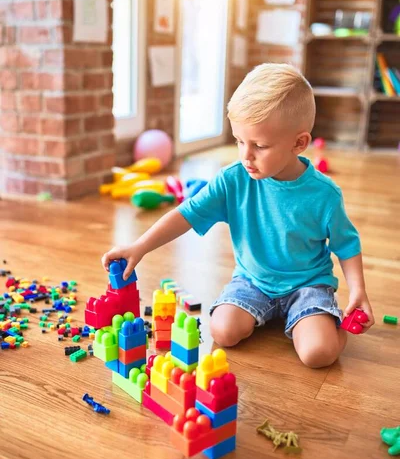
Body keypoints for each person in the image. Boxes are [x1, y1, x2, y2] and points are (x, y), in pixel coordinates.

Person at [102, 63, 374, 368]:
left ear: (299, 143)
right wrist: (138, 247)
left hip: (308, 284)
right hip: (253, 280)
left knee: (317, 355)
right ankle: (282, 317)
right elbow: (186, 214)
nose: (246, 155)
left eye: (259, 145)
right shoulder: (232, 179)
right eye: (239, 141)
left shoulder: (324, 194)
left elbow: (346, 245)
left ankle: (326, 324)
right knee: (223, 331)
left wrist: (358, 291)